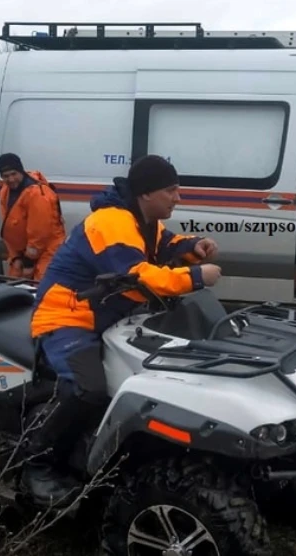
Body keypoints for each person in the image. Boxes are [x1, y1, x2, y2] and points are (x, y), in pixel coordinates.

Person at [24, 155, 222, 506]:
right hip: (68, 315)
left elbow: (165, 245)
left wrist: (193, 247)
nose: (178, 197)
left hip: (106, 315)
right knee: (87, 389)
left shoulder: (143, 219)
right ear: (146, 193)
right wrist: (195, 277)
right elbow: (135, 278)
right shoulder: (111, 222)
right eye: (171, 191)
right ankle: (37, 466)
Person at [0, 153, 66, 281]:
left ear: (21, 171)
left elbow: (40, 233)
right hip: (23, 251)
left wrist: (28, 263)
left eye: (13, 174)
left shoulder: (37, 194)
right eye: (6, 176)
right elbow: (9, 227)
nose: (11, 179)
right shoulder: (6, 191)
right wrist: (15, 256)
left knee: (40, 286)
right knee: (14, 285)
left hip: (47, 249)